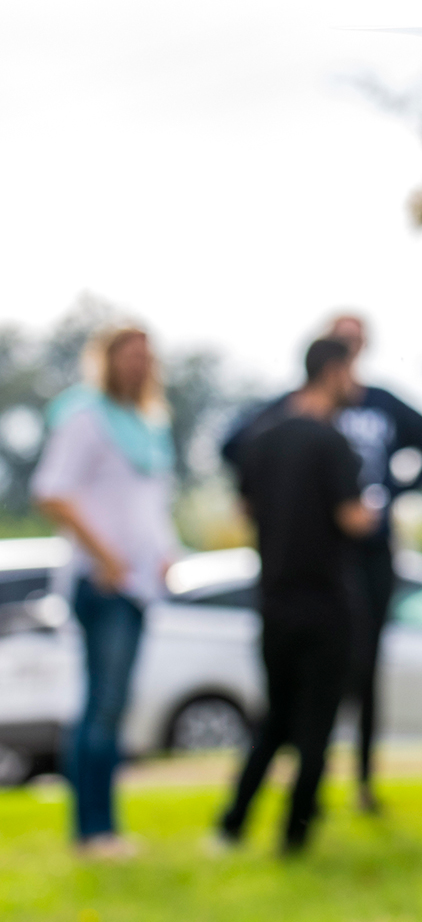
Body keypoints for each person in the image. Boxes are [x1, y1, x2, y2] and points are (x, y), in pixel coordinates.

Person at [222, 314, 422, 814]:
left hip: (314, 579)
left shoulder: (366, 408)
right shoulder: (310, 433)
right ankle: (300, 809)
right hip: (317, 580)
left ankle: (247, 816)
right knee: (308, 700)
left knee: (323, 690)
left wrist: (398, 490)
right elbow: (352, 518)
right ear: (332, 366)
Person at [217, 339, 379, 854]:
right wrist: (376, 512)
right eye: (352, 371)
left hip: (274, 602)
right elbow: (353, 518)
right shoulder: (332, 443)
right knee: (316, 727)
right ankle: (295, 834)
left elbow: (243, 512)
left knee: (275, 720)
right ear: (332, 372)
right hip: (327, 604)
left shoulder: (260, 440)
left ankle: (233, 823)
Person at [33, 326, 180, 858]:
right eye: (128, 353)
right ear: (107, 359)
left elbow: (151, 506)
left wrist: (166, 554)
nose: (138, 363)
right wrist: (108, 557)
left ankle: (106, 827)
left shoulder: (149, 423)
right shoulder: (85, 418)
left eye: (146, 354)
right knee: (101, 705)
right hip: (104, 583)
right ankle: (90, 831)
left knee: (116, 708)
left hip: (141, 586)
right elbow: (53, 492)